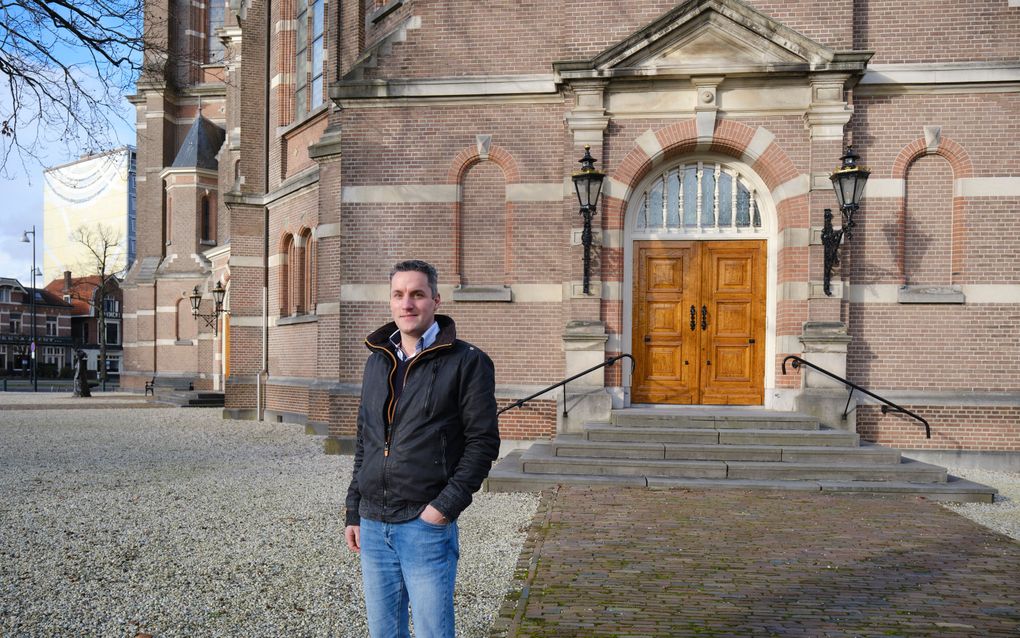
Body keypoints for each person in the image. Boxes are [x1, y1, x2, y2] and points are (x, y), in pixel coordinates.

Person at [344, 259, 500, 638]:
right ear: (391, 302)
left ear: (435, 300)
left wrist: (442, 509)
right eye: (399, 295)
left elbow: (483, 443)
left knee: (433, 632)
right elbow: (366, 439)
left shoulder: (467, 361)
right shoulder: (376, 363)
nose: (407, 303)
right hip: (373, 524)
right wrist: (354, 509)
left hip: (424, 525)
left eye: (417, 294)